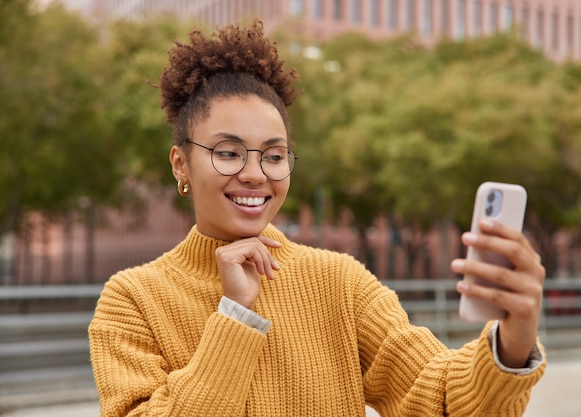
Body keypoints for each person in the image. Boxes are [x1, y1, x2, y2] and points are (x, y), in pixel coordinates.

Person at [88, 20, 546, 417]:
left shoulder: (340, 282)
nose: (254, 174)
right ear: (180, 163)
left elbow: (440, 398)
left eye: (274, 155)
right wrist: (233, 315)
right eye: (227, 153)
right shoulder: (131, 300)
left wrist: (514, 340)